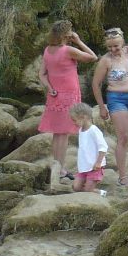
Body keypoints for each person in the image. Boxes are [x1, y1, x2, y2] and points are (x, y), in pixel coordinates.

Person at [37, 20, 97, 183]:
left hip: (54, 95)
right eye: (70, 31)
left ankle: (57, 166)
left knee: (58, 133)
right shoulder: (68, 50)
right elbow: (93, 57)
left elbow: (41, 74)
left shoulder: (48, 50)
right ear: (66, 35)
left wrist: (49, 88)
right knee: (63, 134)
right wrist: (78, 41)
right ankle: (61, 169)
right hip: (68, 95)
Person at [91, 27, 128, 186]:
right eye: (109, 47)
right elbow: (96, 84)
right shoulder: (106, 60)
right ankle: (123, 176)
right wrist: (102, 107)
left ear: (122, 41)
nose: (113, 49)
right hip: (116, 99)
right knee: (123, 137)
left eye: (116, 46)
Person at [69, 102, 108, 192]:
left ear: (83, 117)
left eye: (75, 120)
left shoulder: (93, 130)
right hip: (84, 166)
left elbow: (103, 147)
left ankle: (100, 193)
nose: (74, 123)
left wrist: (98, 163)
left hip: (94, 166)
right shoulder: (80, 130)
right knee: (76, 187)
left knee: (87, 191)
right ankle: (95, 191)